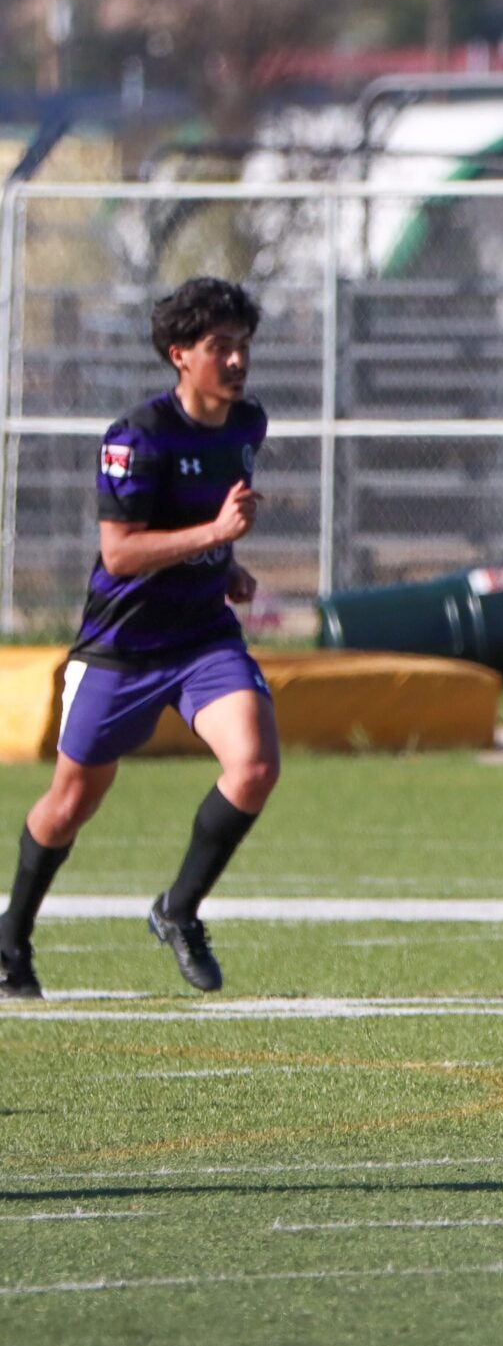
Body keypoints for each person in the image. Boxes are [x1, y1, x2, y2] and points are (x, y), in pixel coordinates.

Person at [0, 278, 282, 999]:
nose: (237, 359)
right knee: (71, 802)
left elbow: (199, 528)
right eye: (220, 346)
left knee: (253, 766)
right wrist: (217, 536)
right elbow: (122, 552)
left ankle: (179, 908)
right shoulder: (137, 436)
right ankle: (11, 937)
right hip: (121, 647)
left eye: (242, 344)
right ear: (179, 354)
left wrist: (229, 566)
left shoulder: (248, 425)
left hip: (202, 640)